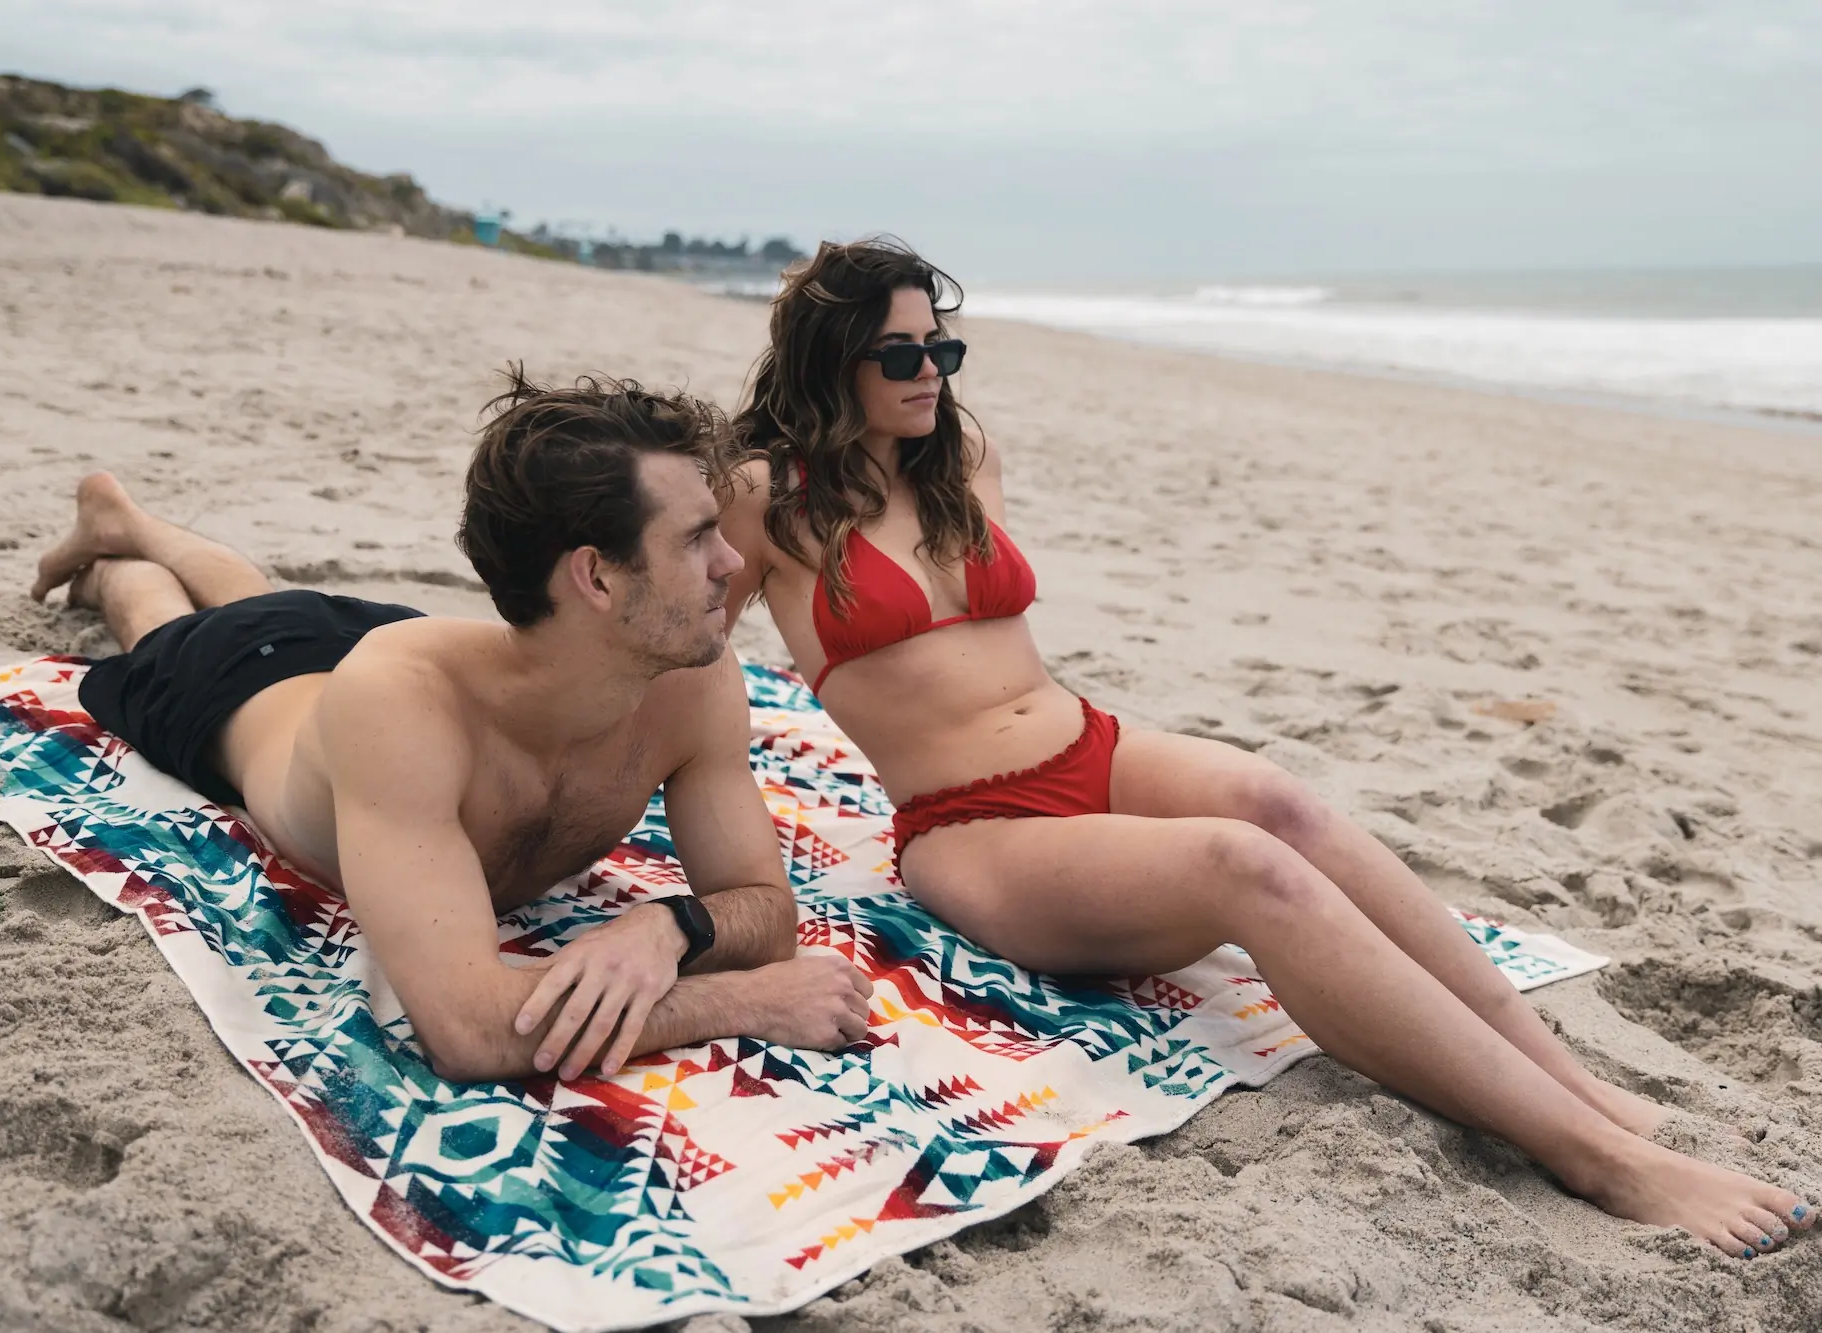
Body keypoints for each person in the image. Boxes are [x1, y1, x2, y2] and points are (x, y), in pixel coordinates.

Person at [715, 237, 1812, 1259]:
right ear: (830, 359)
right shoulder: (766, 498)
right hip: (971, 825)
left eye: (942, 348)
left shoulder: (961, 456)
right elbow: (678, 644)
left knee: (1279, 802)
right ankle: (1600, 1157)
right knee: (1249, 869)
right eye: (899, 352)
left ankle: (1566, 1077)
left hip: (1087, 743)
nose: (931, 372)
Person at [29, 370, 871, 1085]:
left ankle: (134, 521)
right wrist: (747, 1001)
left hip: (409, 646)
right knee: (175, 630)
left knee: (273, 602)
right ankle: (120, 551)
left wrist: (667, 926)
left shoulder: (694, 678)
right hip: (242, 684)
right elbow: (472, 1031)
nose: (732, 563)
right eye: (696, 539)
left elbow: (765, 911)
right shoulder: (400, 709)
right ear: (596, 579)